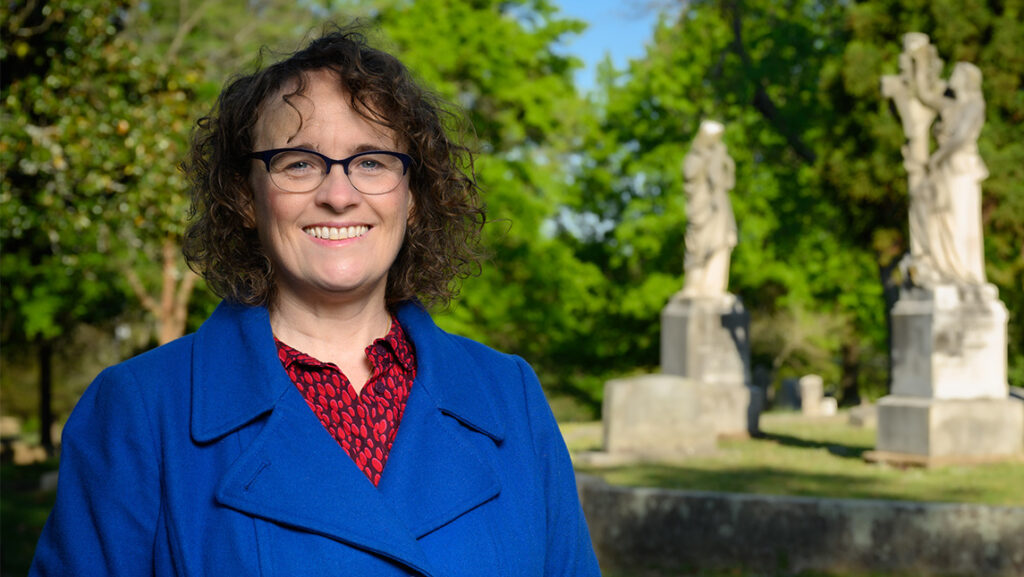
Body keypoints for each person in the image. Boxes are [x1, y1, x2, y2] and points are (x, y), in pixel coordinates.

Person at [30, 25, 601, 576]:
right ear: (245, 197)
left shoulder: (510, 396)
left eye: (372, 161)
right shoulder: (138, 411)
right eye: (299, 163)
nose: (338, 194)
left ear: (414, 198)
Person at [680, 120, 737, 298]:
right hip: (703, 210)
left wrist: (722, 161)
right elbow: (693, 176)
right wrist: (711, 160)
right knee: (699, 247)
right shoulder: (695, 158)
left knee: (721, 245)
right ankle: (695, 285)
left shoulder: (720, 155)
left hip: (720, 210)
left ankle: (714, 286)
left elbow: (726, 181)